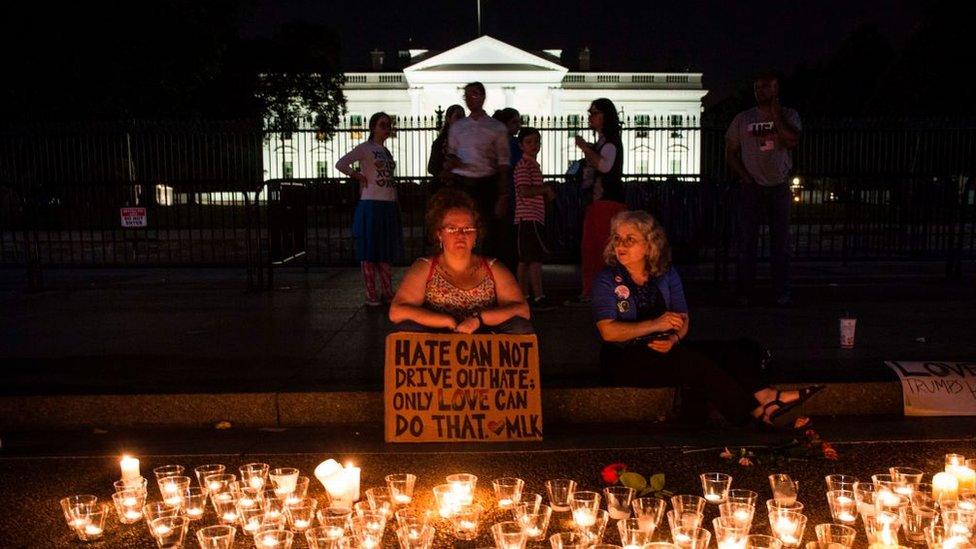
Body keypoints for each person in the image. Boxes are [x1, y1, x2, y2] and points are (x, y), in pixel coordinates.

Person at [592, 210, 823, 427]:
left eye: (629, 239)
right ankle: (752, 414)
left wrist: (674, 338)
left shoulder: (665, 273)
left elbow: (683, 319)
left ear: (649, 244)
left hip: (667, 347)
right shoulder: (608, 279)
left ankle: (767, 395)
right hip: (626, 357)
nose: (620, 245)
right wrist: (655, 324)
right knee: (691, 362)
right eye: (617, 239)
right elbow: (608, 331)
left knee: (740, 349)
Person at [389, 188, 532, 334]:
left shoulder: (493, 267)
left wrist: (478, 320)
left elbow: (522, 309)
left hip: (484, 341)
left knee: (520, 327)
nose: (461, 235)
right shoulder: (425, 267)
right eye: (452, 229)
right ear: (439, 234)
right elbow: (397, 311)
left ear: (476, 234)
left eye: (468, 229)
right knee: (406, 329)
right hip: (438, 341)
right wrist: (447, 321)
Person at [725, 70, 802, 307]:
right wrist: (745, 176)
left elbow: (791, 140)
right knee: (747, 242)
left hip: (779, 186)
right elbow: (729, 151)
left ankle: (781, 292)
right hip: (752, 188)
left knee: (780, 244)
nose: (761, 91)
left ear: (776, 88)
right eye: (757, 87)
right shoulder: (743, 119)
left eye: (766, 86)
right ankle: (745, 293)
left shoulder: (789, 115)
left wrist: (776, 116)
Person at [335, 112, 402, 307]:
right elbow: (341, 163)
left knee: (385, 248)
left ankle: (387, 291)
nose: (386, 128)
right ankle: (372, 293)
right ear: (373, 127)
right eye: (382, 125)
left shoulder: (386, 152)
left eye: (388, 125)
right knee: (369, 248)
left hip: (387, 202)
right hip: (371, 202)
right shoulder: (365, 148)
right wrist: (357, 176)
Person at [565, 98, 625, 306]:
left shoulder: (610, 141)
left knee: (600, 249)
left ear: (605, 116)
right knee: (591, 248)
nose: (590, 117)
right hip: (598, 202)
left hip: (607, 203)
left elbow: (605, 167)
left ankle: (600, 292)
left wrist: (584, 148)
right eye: (589, 113)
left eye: (594, 113)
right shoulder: (602, 142)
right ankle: (594, 291)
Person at [447, 82, 511, 258]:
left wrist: (503, 195)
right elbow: (451, 155)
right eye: (466, 95)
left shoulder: (496, 127)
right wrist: (451, 164)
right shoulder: (457, 127)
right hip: (462, 183)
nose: (469, 99)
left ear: (483, 97)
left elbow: (504, 163)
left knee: (487, 232)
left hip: (486, 183)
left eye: (474, 94)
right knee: (463, 229)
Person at [513, 127, 556, 309]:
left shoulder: (531, 165)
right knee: (532, 259)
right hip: (528, 217)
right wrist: (545, 190)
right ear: (521, 145)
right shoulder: (525, 166)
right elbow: (524, 190)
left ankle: (526, 295)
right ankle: (535, 296)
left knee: (528, 259)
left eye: (536, 142)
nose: (534, 146)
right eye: (529, 142)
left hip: (531, 217)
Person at [492, 107, 522, 272]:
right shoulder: (512, 143)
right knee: (510, 237)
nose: (518, 125)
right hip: (512, 195)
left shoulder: (496, 142)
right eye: (514, 122)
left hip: (501, 193)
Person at [427, 104, 465, 186]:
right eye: (458, 117)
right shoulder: (440, 142)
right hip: (444, 185)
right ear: (448, 119)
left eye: (463, 117)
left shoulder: (467, 140)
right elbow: (432, 167)